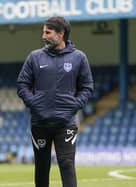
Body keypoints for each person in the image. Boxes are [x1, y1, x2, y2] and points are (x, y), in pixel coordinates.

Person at [17, 16, 94, 187]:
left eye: (47, 32)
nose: (43, 36)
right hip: (40, 124)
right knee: (42, 168)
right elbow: (22, 85)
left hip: (65, 123)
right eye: (43, 32)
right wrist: (34, 103)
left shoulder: (79, 58)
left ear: (61, 34)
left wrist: (74, 105)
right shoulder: (34, 57)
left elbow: (87, 86)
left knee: (67, 165)